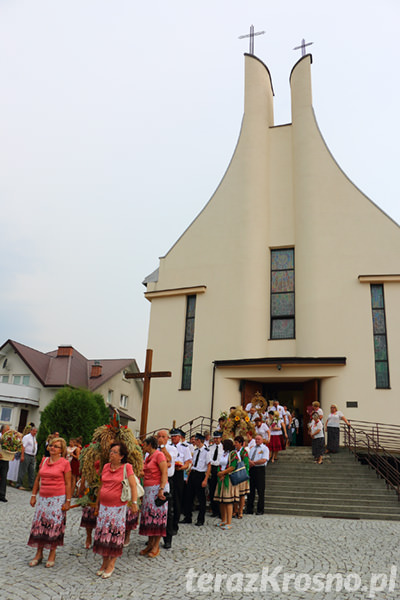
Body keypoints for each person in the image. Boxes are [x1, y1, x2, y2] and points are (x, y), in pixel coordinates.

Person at [93, 442, 138, 578]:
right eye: (110, 451)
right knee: (103, 535)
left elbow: (133, 486)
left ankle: (111, 563)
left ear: (121, 456)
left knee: (113, 535)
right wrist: (97, 503)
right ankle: (104, 562)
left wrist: (134, 502)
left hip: (117, 508)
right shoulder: (106, 466)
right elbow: (102, 486)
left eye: (114, 452)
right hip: (104, 508)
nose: (111, 454)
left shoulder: (126, 467)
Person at [27, 437, 72, 568]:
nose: (53, 448)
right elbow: (37, 479)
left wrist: (68, 501)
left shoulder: (65, 463)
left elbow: (68, 483)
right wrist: (33, 495)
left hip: (57, 499)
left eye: (56, 446)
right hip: (43, 498)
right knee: (40, 525)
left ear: (61, 450)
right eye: (51, 445)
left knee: (54, 525)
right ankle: (39, 553)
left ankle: (52, 553)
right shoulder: (44, 460)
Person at [139, 435, 168, 557]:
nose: (143, 447)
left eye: (144, 444)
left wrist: (161, 489)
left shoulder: (159, 455)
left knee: (157, 517)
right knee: (149, 517)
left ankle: (156, 546)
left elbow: (164, 472)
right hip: (148, 489)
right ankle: (150, 544)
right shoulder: (148, 457)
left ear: (150, 445)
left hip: (157, 489)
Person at [181, 432, 211, 526]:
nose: (195, 442)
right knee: (188, 497)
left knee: (201, 498)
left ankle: (200, 519)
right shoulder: (196, 451)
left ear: (199, 440)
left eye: (196, 440)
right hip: (193, 474)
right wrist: (189, 476)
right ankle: (188, 517)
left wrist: (205, 479)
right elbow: (193, 464)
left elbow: (209, 466)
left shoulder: (206, 452)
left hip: (200, 474)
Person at [157, 429, 177, 549]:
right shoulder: (153, 449)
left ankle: (167, 538)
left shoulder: (171, 449)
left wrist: (163, 447)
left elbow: (169, 459)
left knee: (168, 512)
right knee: (154, 511)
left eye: (163, 436)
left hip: (167, 482)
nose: (160, 438)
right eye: (158, 436)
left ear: (167, 438)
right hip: (154, 481)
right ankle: (154, 536)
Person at [169, 428, 192, 535]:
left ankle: (175, 525)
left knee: (177, 499)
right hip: (168, 473)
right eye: (172, 436)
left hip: (178, 474)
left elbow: (188, 462)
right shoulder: (168, 447)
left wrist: (182, 467)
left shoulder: (184, 448)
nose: (173, 438)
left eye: (175, 436)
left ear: (179, 437)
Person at [213, 438, 236, 530]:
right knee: (221, 501)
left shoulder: (233, 454)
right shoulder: (224, 454)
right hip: (221, 478)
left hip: (228, 478)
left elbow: (233, 466)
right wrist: (219, 473)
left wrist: (223, 473)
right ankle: (223, 520)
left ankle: (229, 522)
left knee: (228, 501)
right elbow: (220, 464)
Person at [246, 434, 269, 515]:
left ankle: (260, 509)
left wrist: (254, 463)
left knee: (260, 490)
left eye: (259, 439)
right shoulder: (252, 448)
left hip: (260, 470)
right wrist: (250, 462)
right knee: (250, 490)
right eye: (256, 439)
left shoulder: (264, 448)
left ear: (262, 440)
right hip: (252, 469)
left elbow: (264, 459)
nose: (257, 441)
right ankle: (249, 509)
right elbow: (247, 457)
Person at [232, 435, 250, 519]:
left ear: (241, 443)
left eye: (236, 443)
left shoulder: (244, 452)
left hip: (242, 475)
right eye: (234, 442)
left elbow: (246, 464)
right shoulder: (233, 452)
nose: (235, 444)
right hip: (235, 475)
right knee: (235, 494)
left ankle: (240, 511)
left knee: (242, 494)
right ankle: (235, 510)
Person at [208, 431, 223, 518]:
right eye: (215, 438)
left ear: (221, 438)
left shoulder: (223, 447)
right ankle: (214, 510)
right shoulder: (210, 447)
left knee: (220, 490)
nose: (216, 440)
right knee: (212, 489)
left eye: (218, 438)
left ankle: (220, 511)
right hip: (212, 468)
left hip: (220, 468)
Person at [0, 424, 11, 502]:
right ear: (4, 430)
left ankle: (2, 495)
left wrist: (12, 455)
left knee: (4, 477)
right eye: (8, 430)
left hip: (5, 459)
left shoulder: (9, 439)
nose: (9, 431)